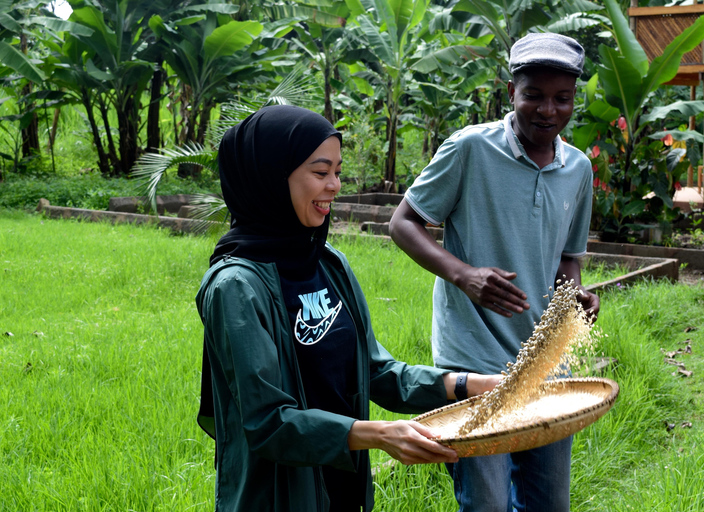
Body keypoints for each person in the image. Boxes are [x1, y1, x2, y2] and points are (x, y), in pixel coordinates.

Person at [194, 105, 502, 512]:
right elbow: (267, 422)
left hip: (342, 487)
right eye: (320, 173)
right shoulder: (236, 287)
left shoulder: (328, 262)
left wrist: (468, 385)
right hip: (278, 495)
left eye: (338, 172)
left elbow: (375, 370)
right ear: (271, 176)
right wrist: (377, 434)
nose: (335, 185)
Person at [388, 33, 601, 512]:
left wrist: (575, 298)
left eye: (562, 99)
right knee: (485, 501)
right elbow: (403, 223)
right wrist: (464, 275)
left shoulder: (578, 169)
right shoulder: (469, 149)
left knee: (548, 500)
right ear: (511, 93)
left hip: (546, 362)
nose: (547, 110)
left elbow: (568, 257)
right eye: (534, 96)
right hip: (473, 359)